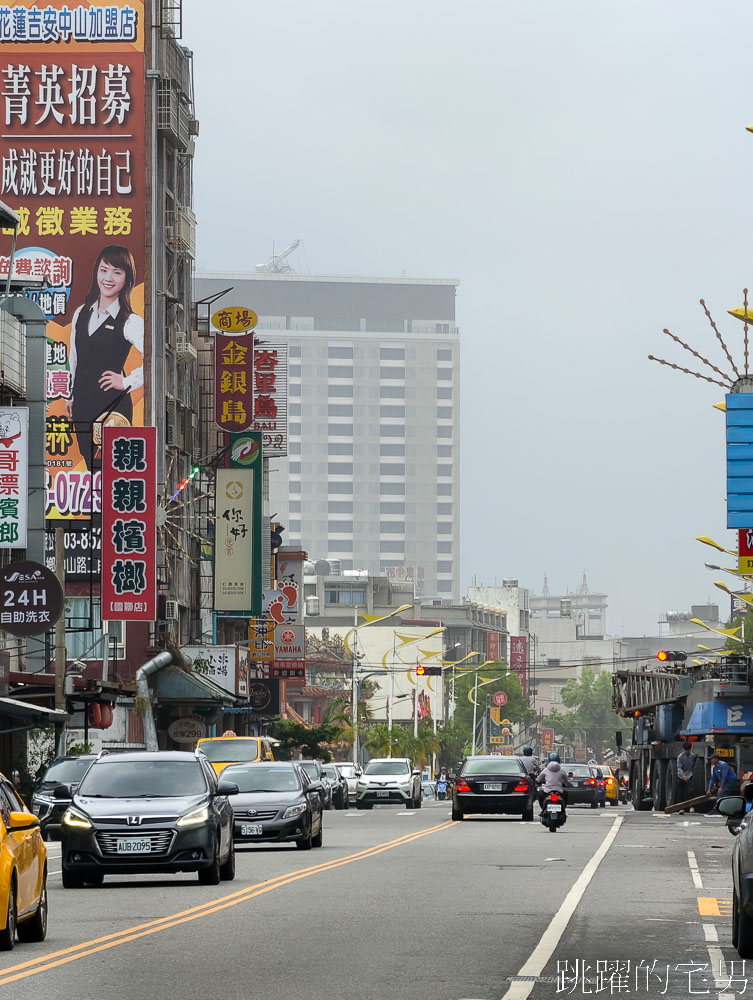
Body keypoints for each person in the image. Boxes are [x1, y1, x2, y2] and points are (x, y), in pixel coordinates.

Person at [65, 245, 144, 469]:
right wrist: (70, 396)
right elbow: (74, 358)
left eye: (117, 272)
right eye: (104, 270)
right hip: (82, 403)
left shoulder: (130, 321)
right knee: (91, 465)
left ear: (127, 278)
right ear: (96, 273)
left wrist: (126, 381)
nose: (108, 278)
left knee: (111, 468)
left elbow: (156, 361)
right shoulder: (81, 313)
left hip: (113, 406)